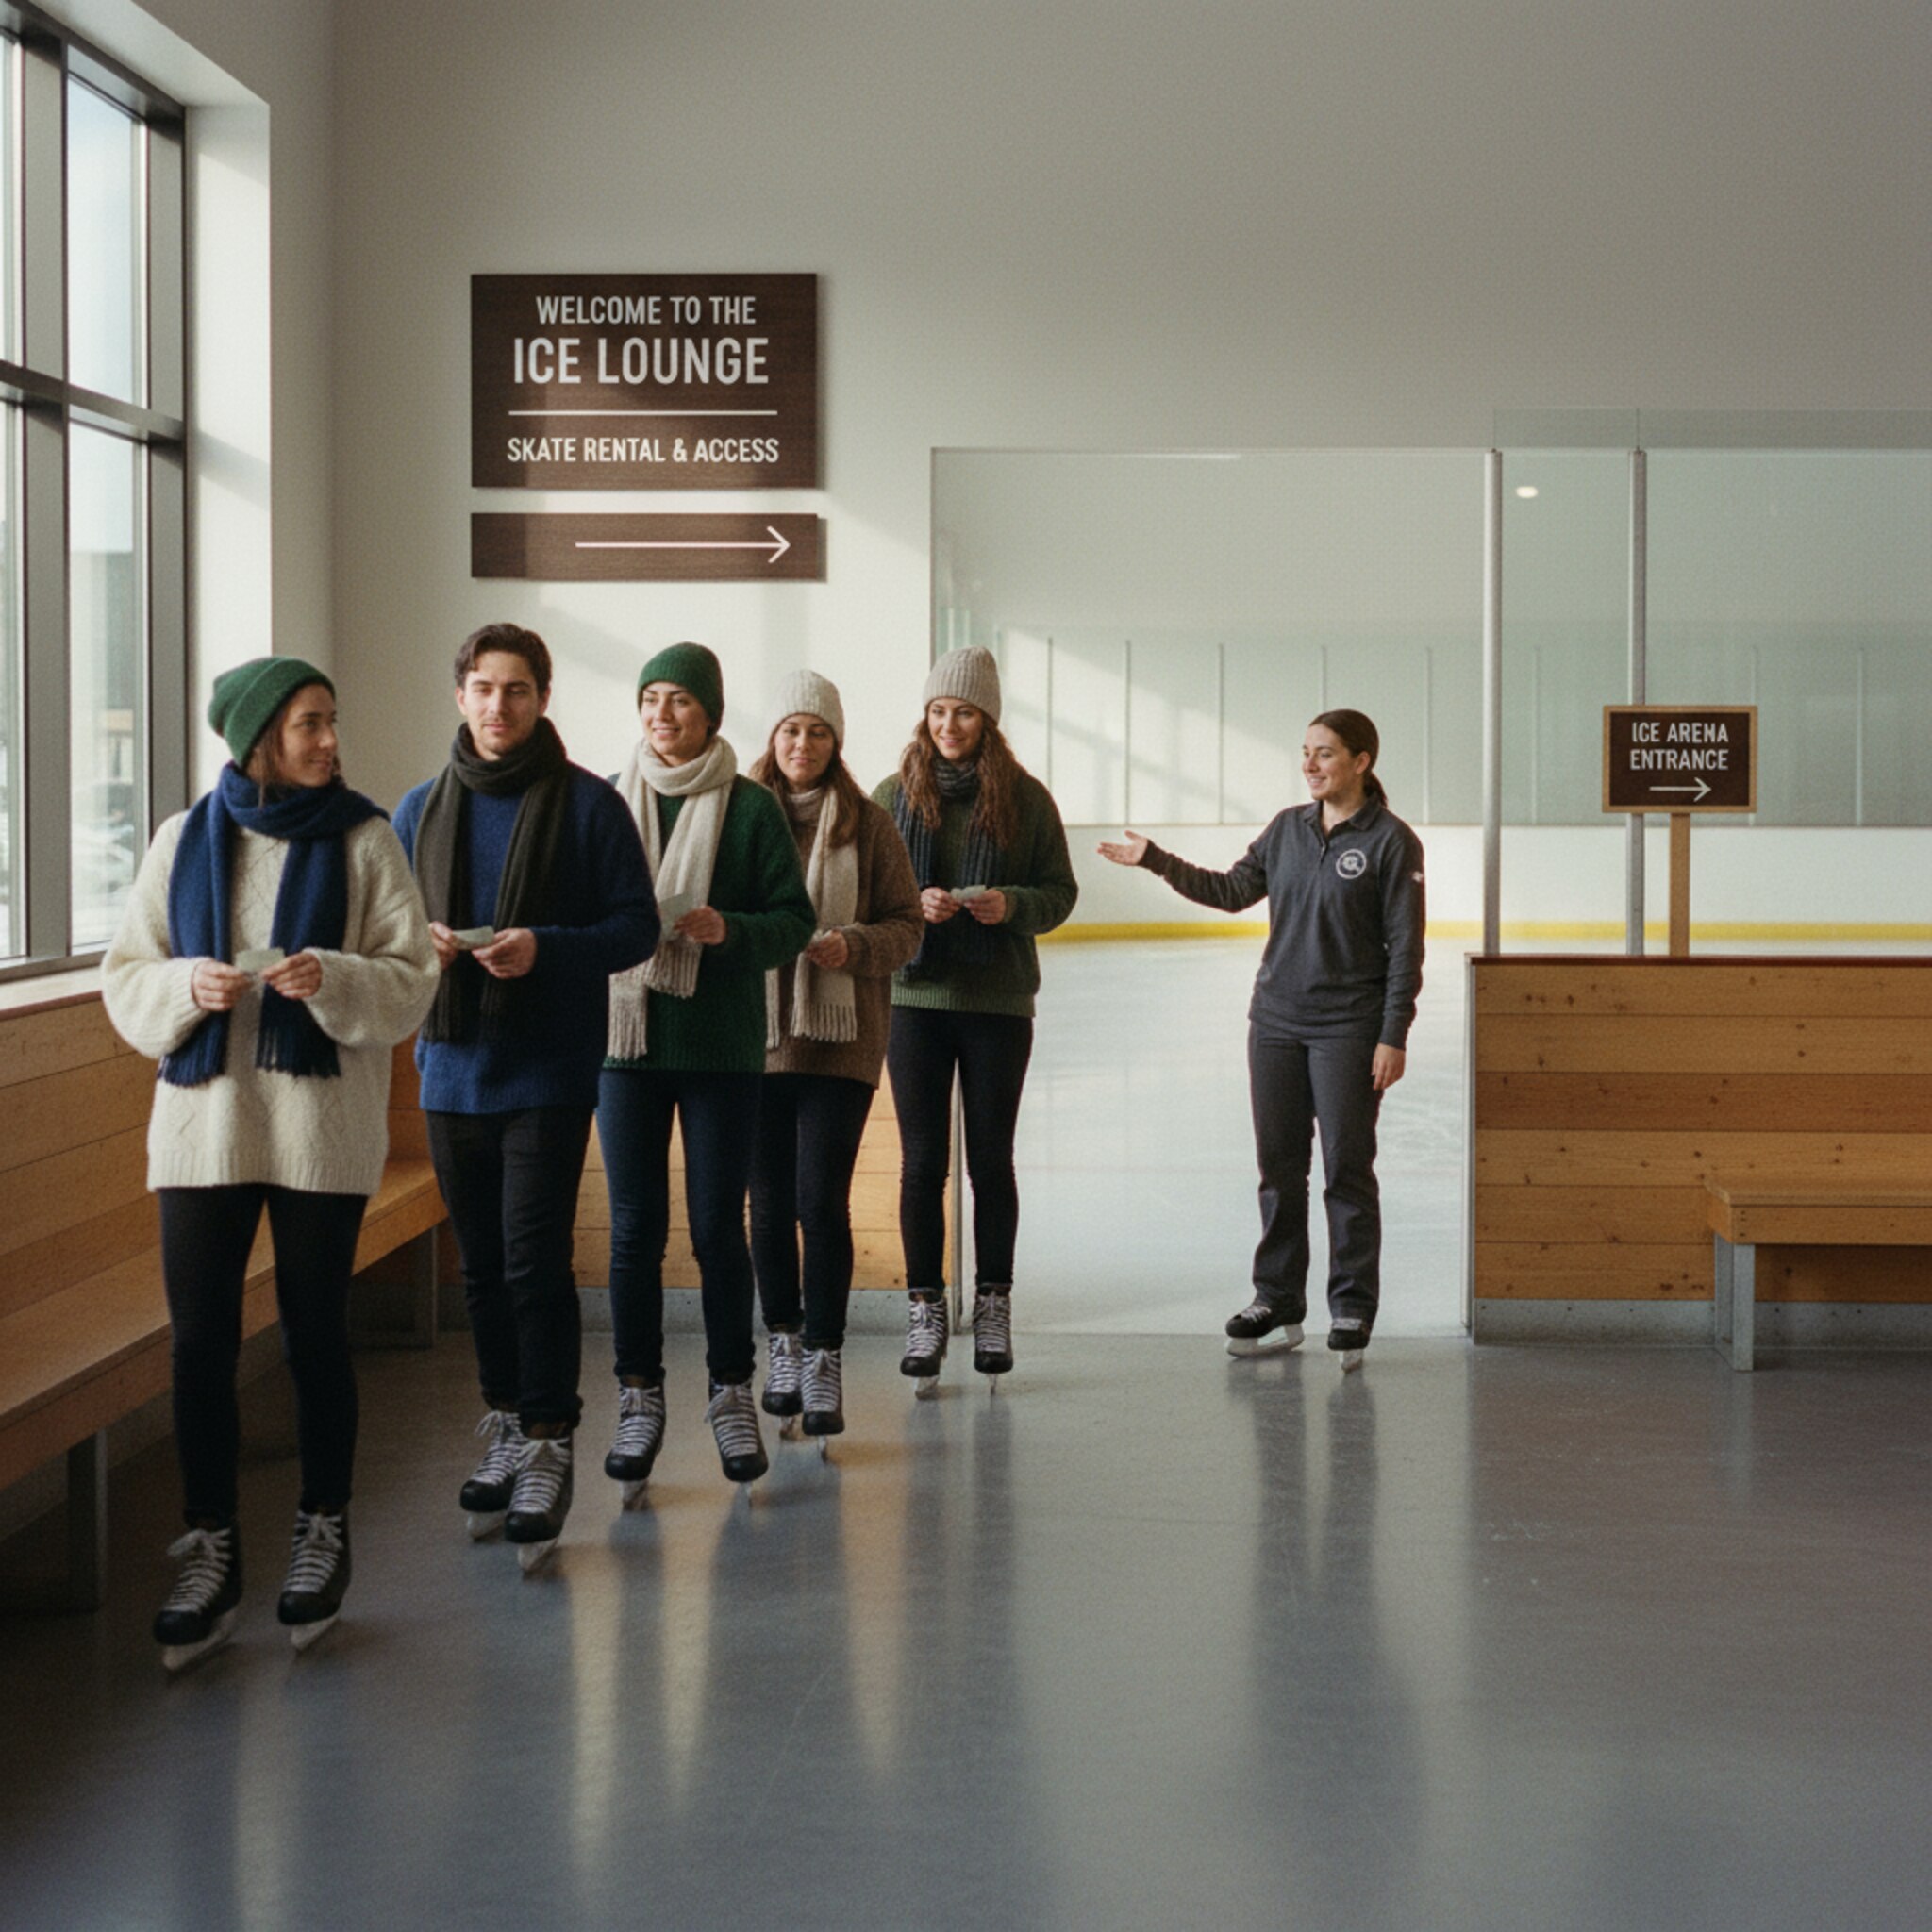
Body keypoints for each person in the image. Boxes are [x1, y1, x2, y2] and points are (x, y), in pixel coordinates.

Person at [103, 658, 441, 1669]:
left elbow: (410, 977)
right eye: (308, 724)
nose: (329, 740)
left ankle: (320, 1531)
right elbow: (127, 975)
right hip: (205, 1125)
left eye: (331, 720)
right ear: (258, 737)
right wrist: (186, 984)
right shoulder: (182, 838)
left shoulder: (366, 836)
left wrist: (329, 974)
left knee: (313, 1334)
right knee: (198, 1342)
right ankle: (210, 1547)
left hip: (319, 1129)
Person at [393, 624, 658, 1573]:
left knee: (532, 1257)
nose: (496, 705)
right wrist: (410, 946)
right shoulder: (418, 810)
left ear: (542, 697)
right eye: (481, 687)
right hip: (450, 1065)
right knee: (479, 1268)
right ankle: (503, 1416)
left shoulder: (588, 806)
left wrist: (546, 944)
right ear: (459, 695)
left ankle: (549, 1437)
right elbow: (380, 934)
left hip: (546, 1066)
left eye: (515, 689)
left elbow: (637, 926)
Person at [1098, 708, 1424, 1372]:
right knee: (1280, 1169)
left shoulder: (1391, 842)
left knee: (1346, 1169)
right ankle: (1276, 1298)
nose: (1309, 764)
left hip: (1349, 1029)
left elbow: (1406, 950)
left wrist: (1393, 1036)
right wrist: (1155, 859)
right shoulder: (1287, 829)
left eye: (1325, 753)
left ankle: (1352, 1304)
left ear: (1361, 762)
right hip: (1275, 1022)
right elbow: (1229, 890)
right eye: (1305, 751)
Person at [599, 643, 814, 1493]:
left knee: (719, 1228)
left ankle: (731, 1392)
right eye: (650, 697)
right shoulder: (610, 802)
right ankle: (638, 1394)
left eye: (680, 699)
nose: (662, 713)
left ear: (712, 714)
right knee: (631, 1231)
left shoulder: (752, 808)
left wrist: (734, 931)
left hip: (722, 1047)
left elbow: (793, 919)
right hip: (628, 1044)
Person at [874, 646, 1077, 1391]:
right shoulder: (892, 793)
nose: (948, 724)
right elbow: (862, 894)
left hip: (997, 1004)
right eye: (937, 711)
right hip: (914, 1002)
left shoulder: (1026, 799)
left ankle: (993, 1303)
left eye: (963, 711)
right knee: (922, 1164)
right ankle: (926, 1307)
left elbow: (1060, 893)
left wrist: (1011, 904)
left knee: (992, 1162)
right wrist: (912, 905)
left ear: (987, 718)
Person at [746, 672, 922, 1439]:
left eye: (818, 732)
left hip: (842, 1042)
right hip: (754, 1042)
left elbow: (908, 927)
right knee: (767, 1204)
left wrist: (852, 943)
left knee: (820, 1202)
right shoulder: (742, 815)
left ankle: (823, 1358)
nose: (803, 744)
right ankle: (780, 1343)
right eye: (791, 729)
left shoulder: (870, 823)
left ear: (836, 741)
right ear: (771, 737)